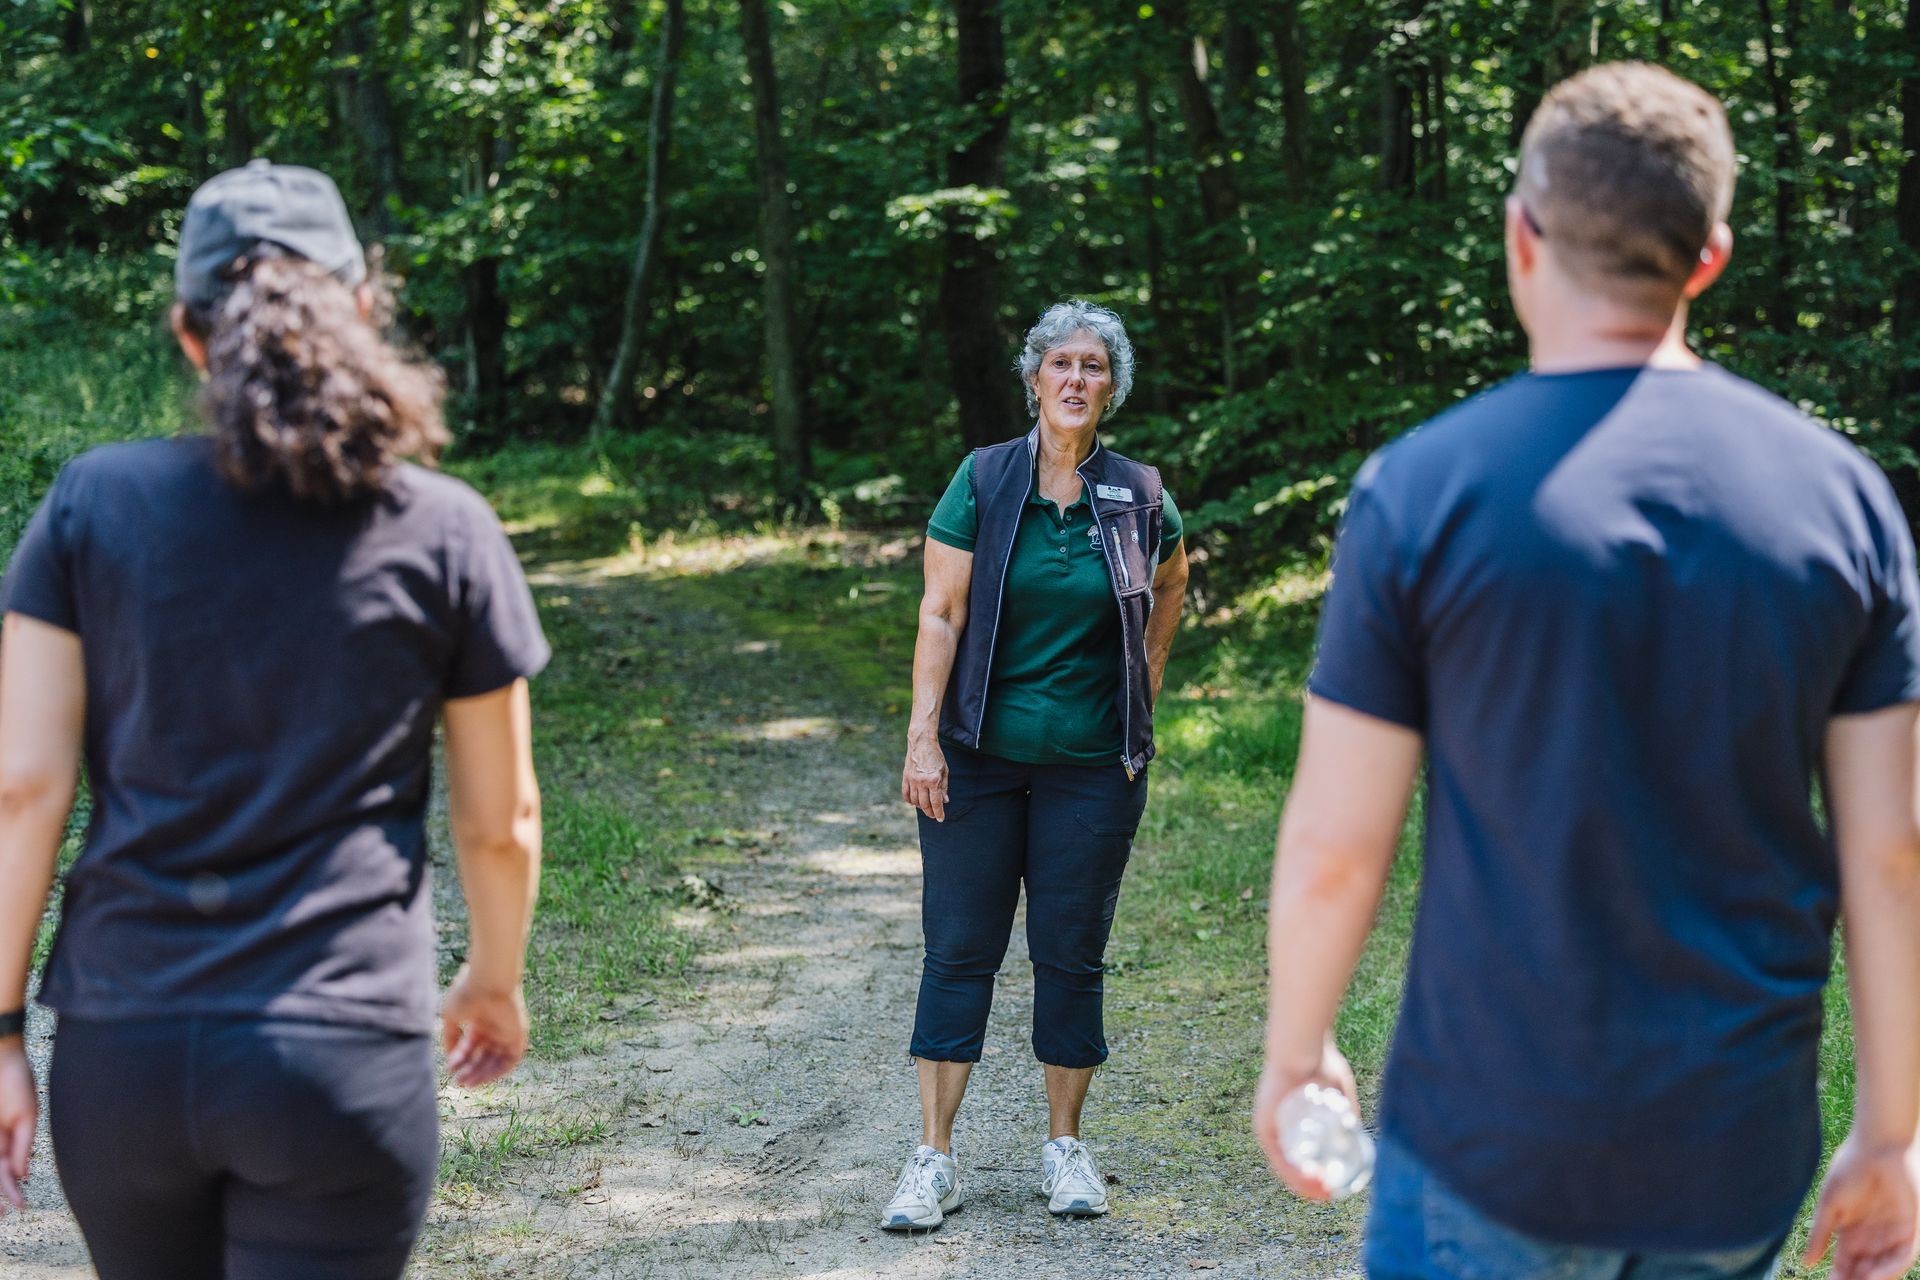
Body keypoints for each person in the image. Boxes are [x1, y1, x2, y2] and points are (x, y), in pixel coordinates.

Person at [1254, 62, 1920, 1280]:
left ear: (1522, 236)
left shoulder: (1422, 490)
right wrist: (1893, 1132)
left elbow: (1338, 844)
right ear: (1709, 258)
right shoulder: (1846, 501)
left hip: (1490, 1138)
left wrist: (1296, 1054)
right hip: (1734, 1148)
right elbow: (1890, 853)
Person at [0, 160, 549, 1279]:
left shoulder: (91, 502)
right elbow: (502, 820)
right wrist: (493, 977)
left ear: (189, 333)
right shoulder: (444, 527)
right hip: (337, 1052)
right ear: (358, 307)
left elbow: (23, 788)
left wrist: (1, 1032)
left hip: (126, 1047)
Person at [882, 300, 1190, 1230]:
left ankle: (1065, 1151)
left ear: (1111, 388)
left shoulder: (1139, 493)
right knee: (959, 951)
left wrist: (1145, 691)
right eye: (1061, 362)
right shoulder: (983, 479)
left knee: (1070, 955)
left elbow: (1173, 585)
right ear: (1034, 378)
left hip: (1094, 770)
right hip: (976, 761)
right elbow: (940, 613)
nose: (1075, 379)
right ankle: (934, 1160)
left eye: (1094, 366)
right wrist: (922, 738)